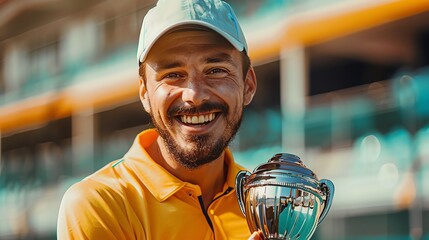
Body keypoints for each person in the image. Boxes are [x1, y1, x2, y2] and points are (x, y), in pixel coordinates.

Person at [57, 0, 262, 239]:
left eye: (215, 70)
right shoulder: (100, 203)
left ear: (248, 85)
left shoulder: (262, 200)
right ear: (144, 93)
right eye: (173, 75)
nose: (194, 95)